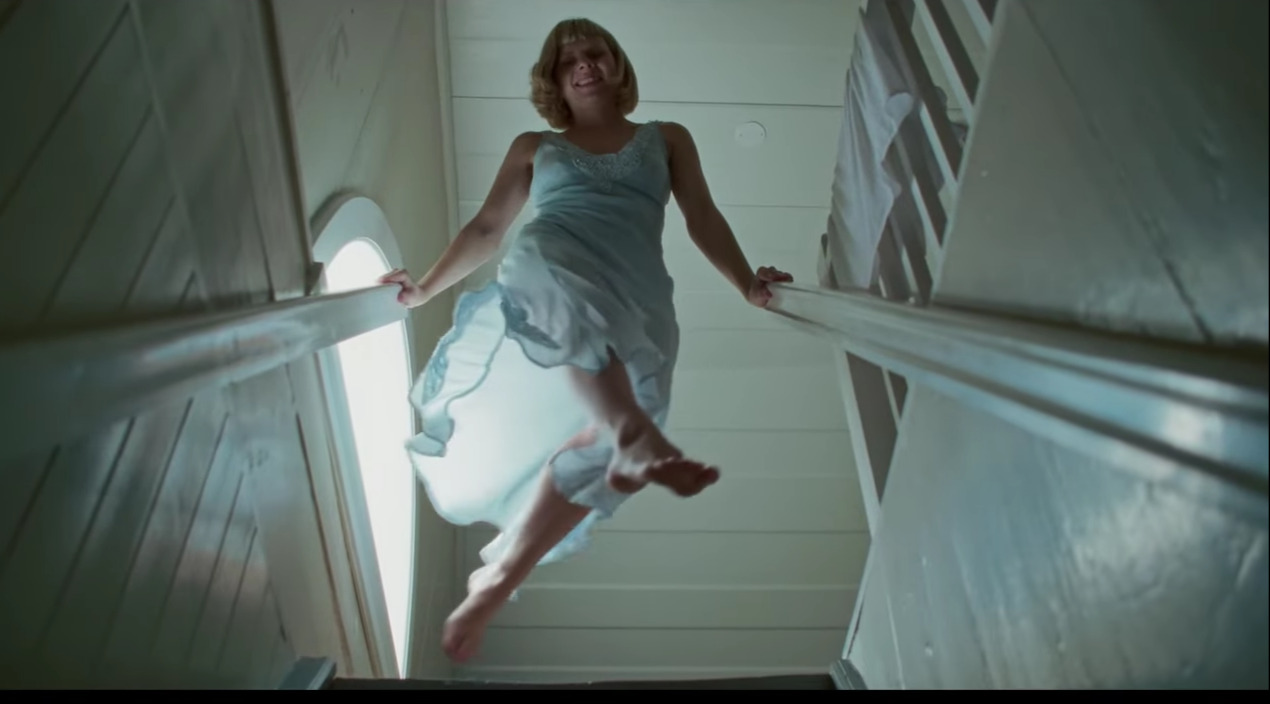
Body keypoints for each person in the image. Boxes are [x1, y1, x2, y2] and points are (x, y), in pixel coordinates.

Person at [378, 17, 793, 663]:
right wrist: (422, 290)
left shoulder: (667, 137)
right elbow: (488, 229)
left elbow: (703, 217)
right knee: (601, 371)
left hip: (639, 294)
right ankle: (632, 439)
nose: (584, 64)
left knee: (604, 441)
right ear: (553, 78)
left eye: (595, 52)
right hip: (555, 260)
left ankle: (499, 579)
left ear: (616, 63)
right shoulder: (534, 146)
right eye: (568, 59)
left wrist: (747, 284)